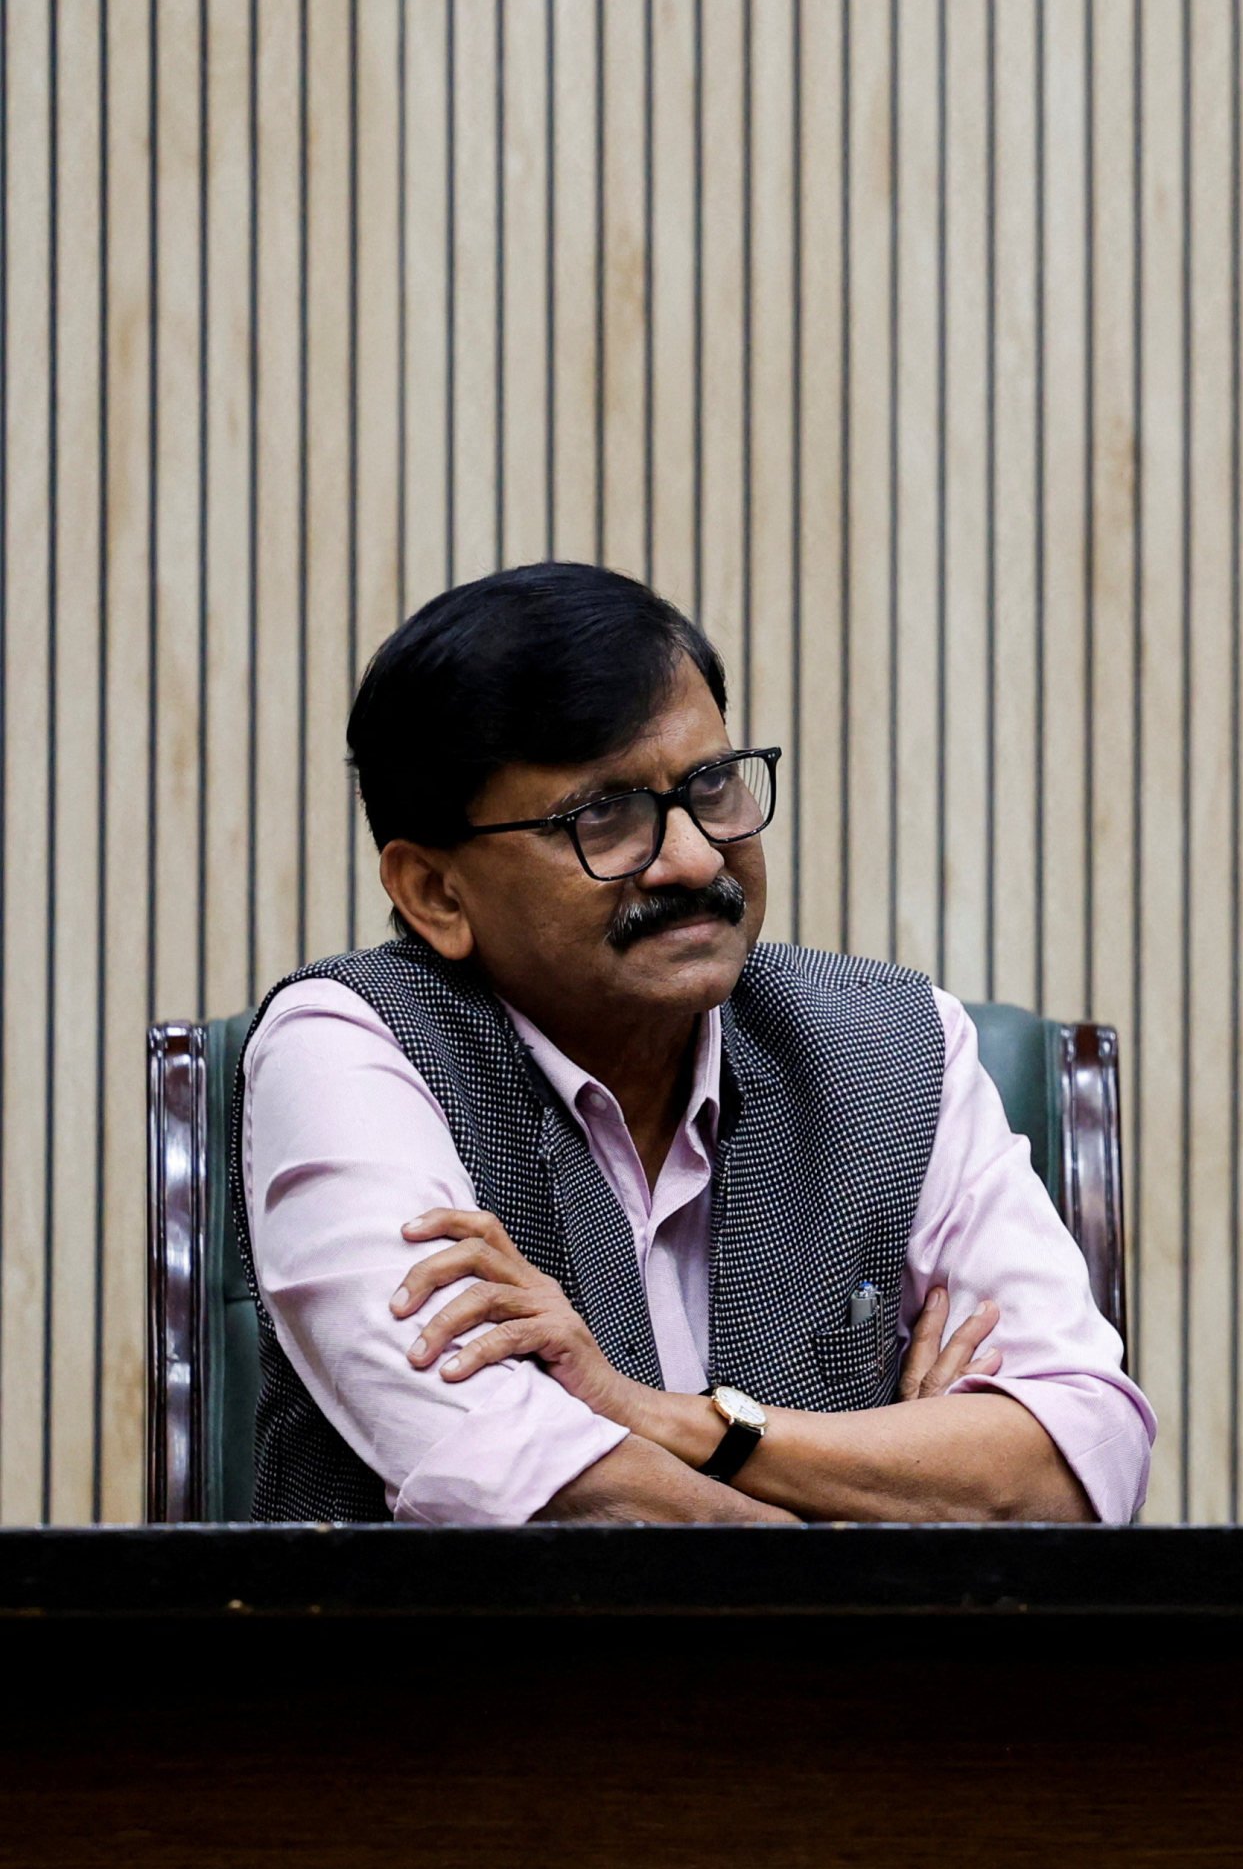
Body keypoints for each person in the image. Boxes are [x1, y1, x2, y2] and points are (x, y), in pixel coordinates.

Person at [239, 562, 1157, 1524]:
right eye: (602, 815)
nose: (694, 856)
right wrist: (895, 1512)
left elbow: (1081, 1459)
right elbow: (525, 1491)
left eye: (711, 784)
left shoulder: (894, 1042)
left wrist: (661, 1420)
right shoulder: (347, 1047)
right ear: (436, 891)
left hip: (868, 1685)